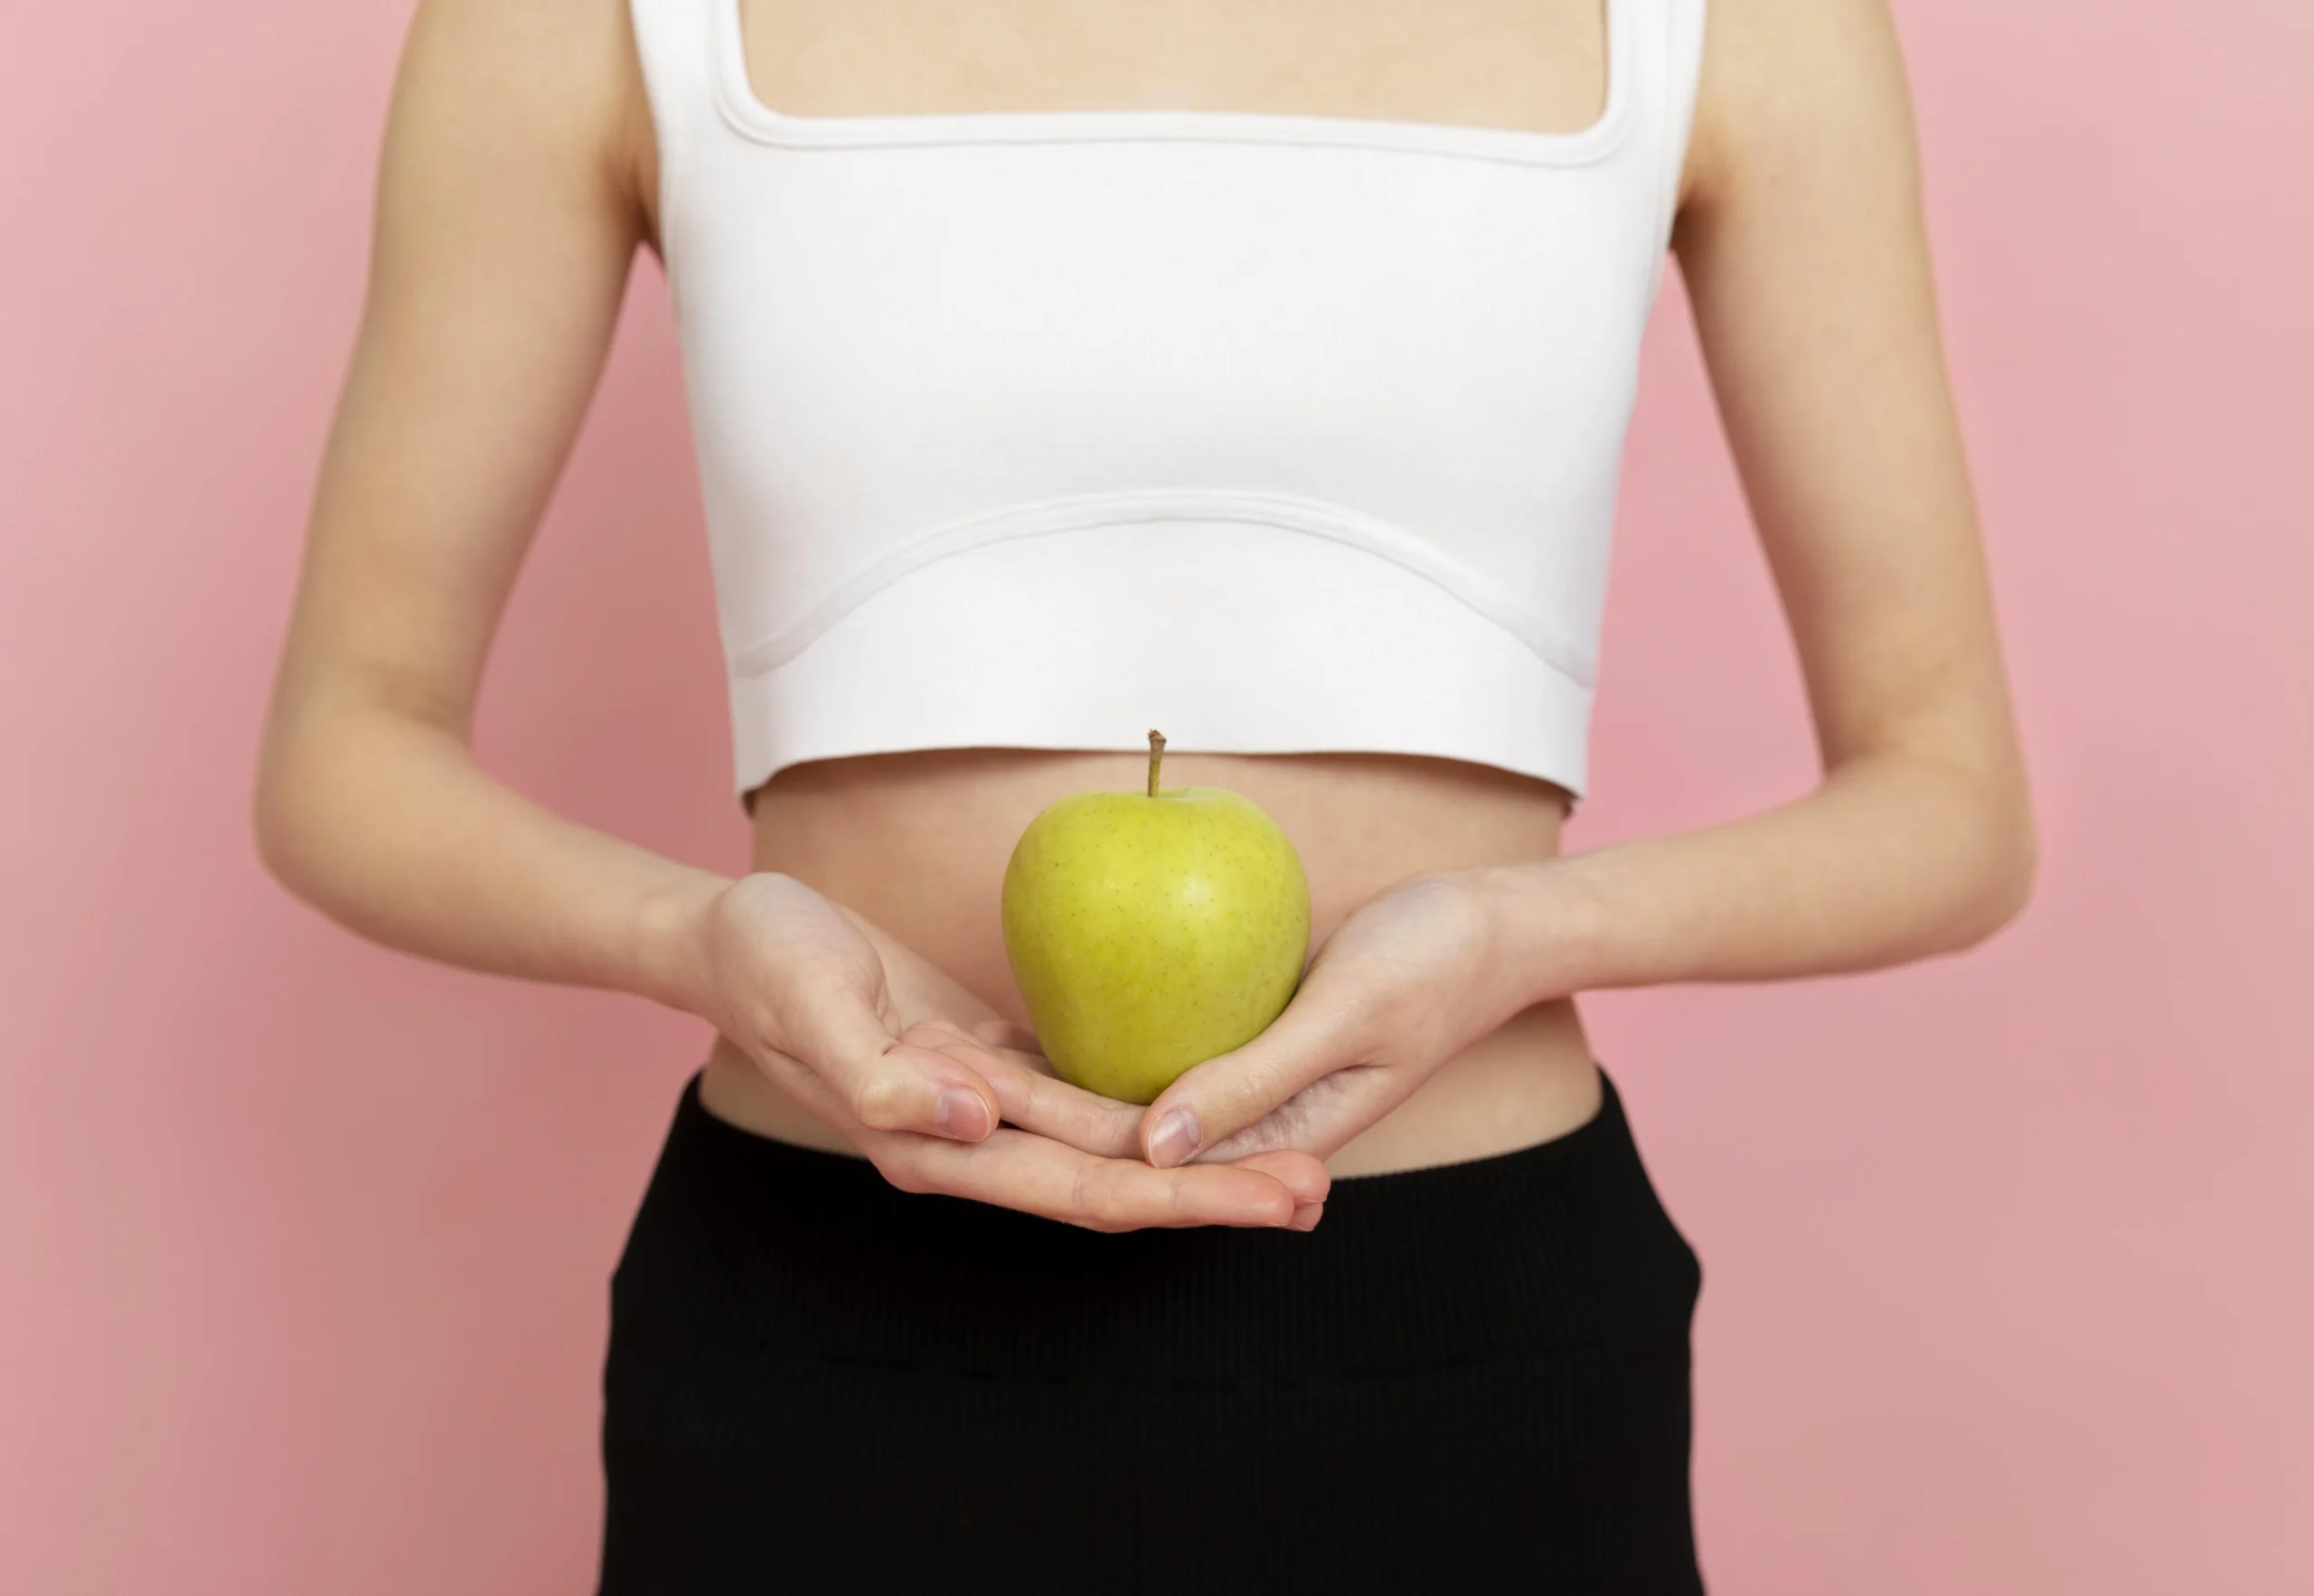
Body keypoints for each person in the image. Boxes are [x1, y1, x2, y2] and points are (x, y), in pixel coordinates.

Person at [253, 0, 2036, 1588]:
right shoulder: (581, 22)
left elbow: (1945, 800)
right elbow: (349, 741)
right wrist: (703, 936)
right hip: (834, 1317)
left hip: (1464, 1338)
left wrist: (1510, 932)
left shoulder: (1738, 24)